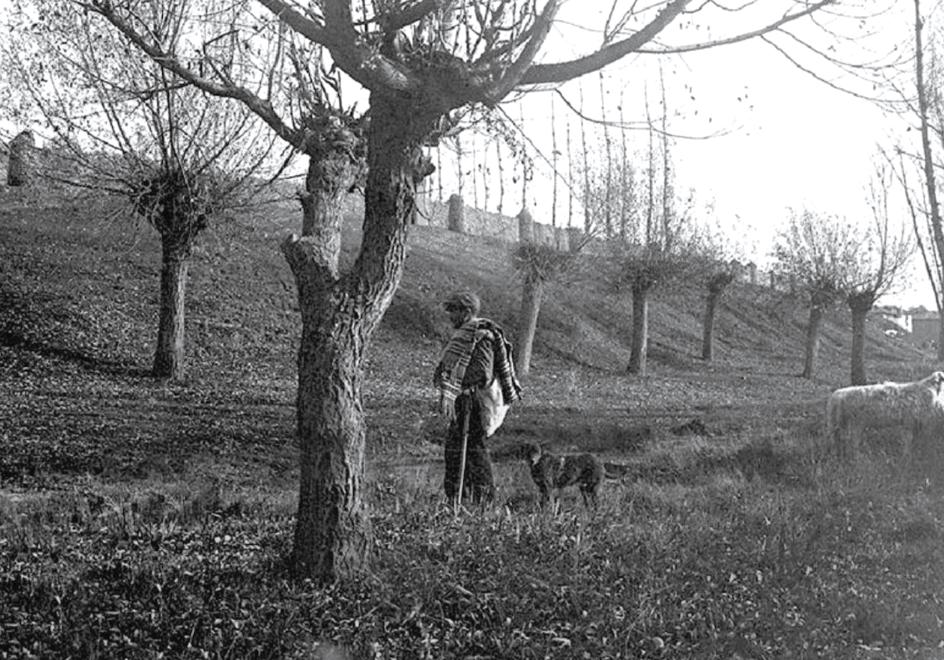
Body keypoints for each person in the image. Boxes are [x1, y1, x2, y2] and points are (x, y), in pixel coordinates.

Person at [433, 291, 521, 504]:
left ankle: (482, 501)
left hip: (474, 403)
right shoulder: (467, 335)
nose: (450, 316)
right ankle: (459, 499)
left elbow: (482, 373)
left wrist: (458, 385)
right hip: (464, 400)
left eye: (454, 310)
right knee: (456, 451)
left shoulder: (481, 336)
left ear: (467, 311)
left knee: (472, 451)